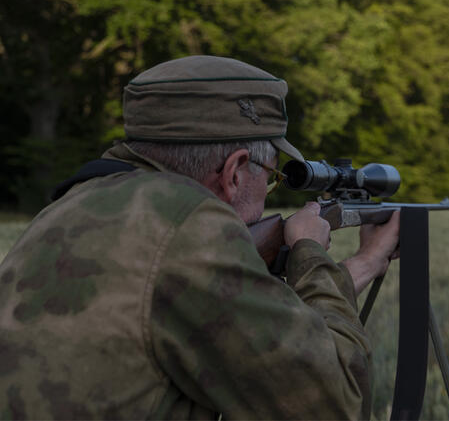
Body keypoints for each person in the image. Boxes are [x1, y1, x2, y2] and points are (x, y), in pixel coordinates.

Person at [0, 56, 400, 420]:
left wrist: (361, 265)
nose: (266, 194)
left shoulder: (71, 205)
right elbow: (334, 405)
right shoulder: (189, 223)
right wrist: (309, 251)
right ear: (235, 172)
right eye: (273, 178)